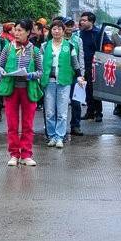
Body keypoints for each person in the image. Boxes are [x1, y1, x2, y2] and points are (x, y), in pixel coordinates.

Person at [0, 19, 43, 166]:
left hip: (28, 90)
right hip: (11, 89)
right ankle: (14, 154)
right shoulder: (8, 48)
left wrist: (29, 75)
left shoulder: (35, 50)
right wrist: (2, 72)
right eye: (15, 30)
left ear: (28, 32)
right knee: (12, 123)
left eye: (20, 31)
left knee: (28, 124)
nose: (16, 33)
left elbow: (40, 72)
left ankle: (26, 154)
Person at [41, 20, 83, 148]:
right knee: (49, 111)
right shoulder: (45, 46)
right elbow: (40, 63)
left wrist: (79, 76)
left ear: (63, 31)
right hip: (49, 81)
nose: (56, 31)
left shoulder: (69, 46)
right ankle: (52, 136)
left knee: (62, 112)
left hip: (64, 81)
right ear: (50, 31)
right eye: (54, 29)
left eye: (59, 29)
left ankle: (60, 137)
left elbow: (75, 62)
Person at [79, 11, 104, 122]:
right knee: (87, 89)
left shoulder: (99, 33)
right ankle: (90, 112)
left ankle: (99, 113)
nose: (82, 22)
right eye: (81, 20)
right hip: (83, 65)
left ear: (91, 21)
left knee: (96, 89)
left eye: (84, 20)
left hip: (96, 65)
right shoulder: (81, 33)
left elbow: (107, 46)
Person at [64, 18, 85, 136]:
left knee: (76, 102)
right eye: (67, 25)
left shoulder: (78, 40)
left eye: (71, 25)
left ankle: (75, 126)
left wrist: (82, 74)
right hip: (61, 75)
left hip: (75, 76)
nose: (69, 28)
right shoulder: (58, 39)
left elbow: (80, 57)